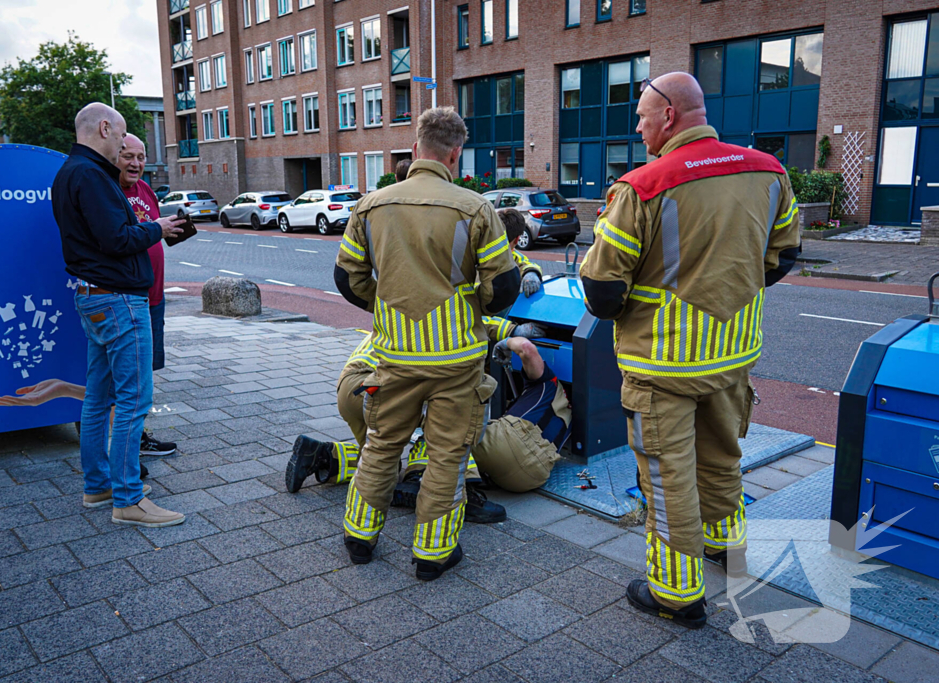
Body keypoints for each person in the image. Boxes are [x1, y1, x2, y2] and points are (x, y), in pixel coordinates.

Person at [579, 73, 800, 628]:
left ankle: (677, 593)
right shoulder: (768, 172)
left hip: (663, 366)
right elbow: (784, 257)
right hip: (732, 355)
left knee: (666, 474)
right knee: (723, 454)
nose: (637, 125)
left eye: (642, 115)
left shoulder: (643, 186)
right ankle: (726, 545)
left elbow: (603, 292)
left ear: (670, 116)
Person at [333, 106, 520, 580]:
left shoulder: (370, 205)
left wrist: (387, 306)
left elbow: (346, 276)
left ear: (416, 148)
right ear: (456, 154)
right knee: (446, 454)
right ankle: (433, 555)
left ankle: (359, 538)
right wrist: (468, 309)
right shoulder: (476, 207)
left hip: (393, 355)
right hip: (456, 361)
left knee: (381, 444)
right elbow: (503, 286)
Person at [52, 102, 187, 527]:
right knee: (133, 400)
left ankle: (98, 487)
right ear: (105, 128)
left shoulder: (68, 172)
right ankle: (128, 498)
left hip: (93, 298)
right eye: (121, 136)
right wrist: (158, 229)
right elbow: (116, 239)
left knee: (97, 398)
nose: (123, 148)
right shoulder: (92, 175)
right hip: (119, 301)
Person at [285, 314, 545, 518]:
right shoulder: (456, 309)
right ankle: (451, 490)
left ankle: (322, 456)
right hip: (381, 385)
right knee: (449, 416)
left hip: (350, 388)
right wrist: (515, 332)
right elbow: (491, 324)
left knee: (382, 461)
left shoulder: (402, 307)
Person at [115, 133, 177, 458]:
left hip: (154, 296)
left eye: (141, 157)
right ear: (114, 155)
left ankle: (139, 435)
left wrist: (169, 230)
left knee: (147, 371)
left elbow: (151, 227)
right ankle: (128, 445)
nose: (136, 164)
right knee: (129, 376)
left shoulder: (145, 189)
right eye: (128, 156)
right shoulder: (110, 193)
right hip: (130, 297)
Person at [498, 209, 544, 297]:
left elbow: (528, 266)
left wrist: (531, 271)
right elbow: (525, 264)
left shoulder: (476, 248)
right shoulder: (512, 256)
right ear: (517, 239)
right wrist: (531, 274)